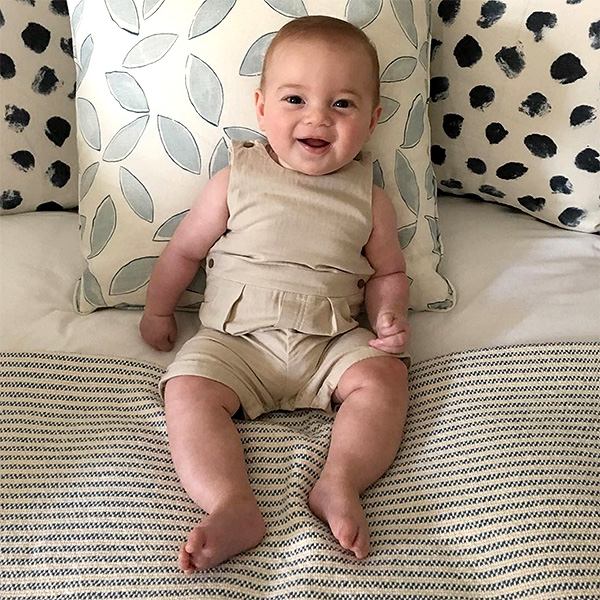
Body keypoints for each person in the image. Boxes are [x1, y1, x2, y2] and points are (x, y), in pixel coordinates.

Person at [140, 15, 411, 574]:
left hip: (330, 342)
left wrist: (388, 316)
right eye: (295, 99)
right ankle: (230, 502)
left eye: (342, 104)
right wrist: (158, 308)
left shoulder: (369, 197)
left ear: (373, 120)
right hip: (235, 341)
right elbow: (185, 252)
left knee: (385, 378)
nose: (318, 117)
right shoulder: (236, 178)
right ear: (261, 109)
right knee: (187, 390)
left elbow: (388, 272)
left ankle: (339, 481)